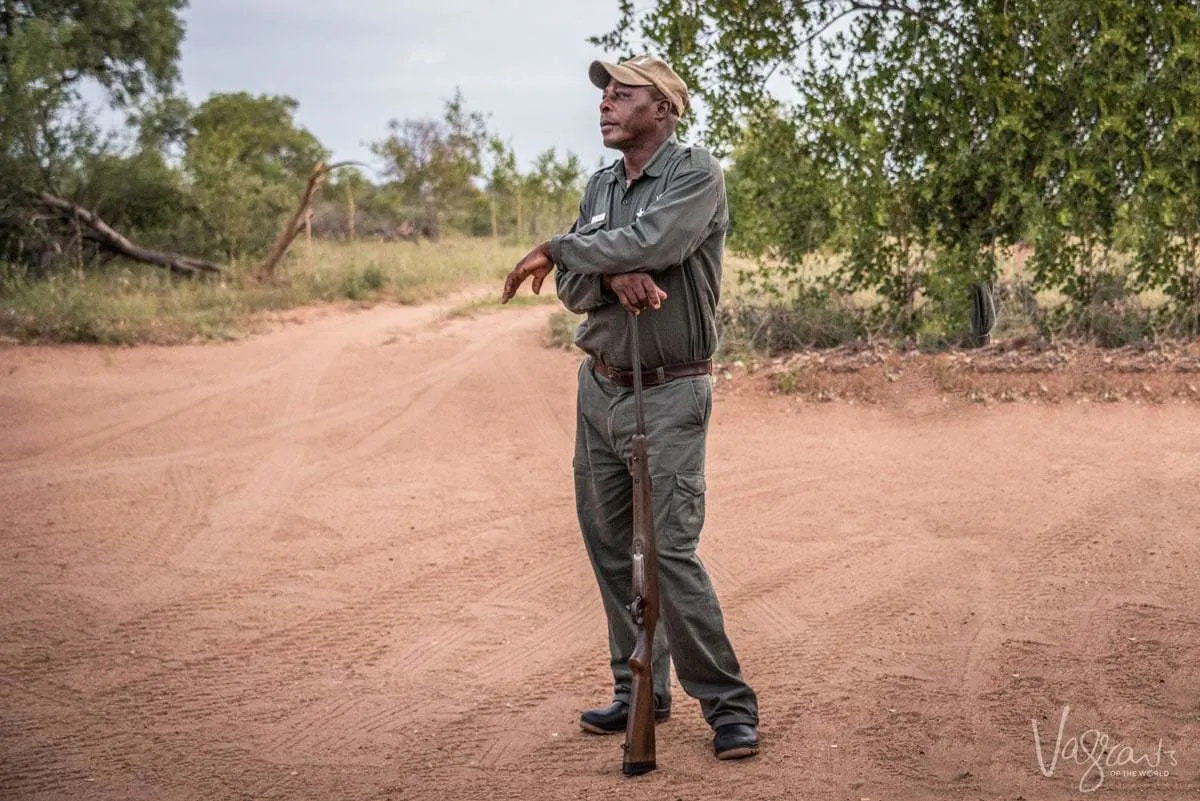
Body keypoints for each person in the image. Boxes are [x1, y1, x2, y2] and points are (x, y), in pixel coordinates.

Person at [500, 54, 759, 760]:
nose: (606, 103)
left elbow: (658, 241)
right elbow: (572, 290)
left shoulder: (696, 174)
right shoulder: (601, 186)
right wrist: (611, 277)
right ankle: (639, 687)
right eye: (604, 94)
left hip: (671, 389)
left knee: (669, 554)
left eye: (623, 93)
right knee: (612, 549)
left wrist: (565, 247)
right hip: (601, 388)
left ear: (664, 110)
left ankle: (729, 705)